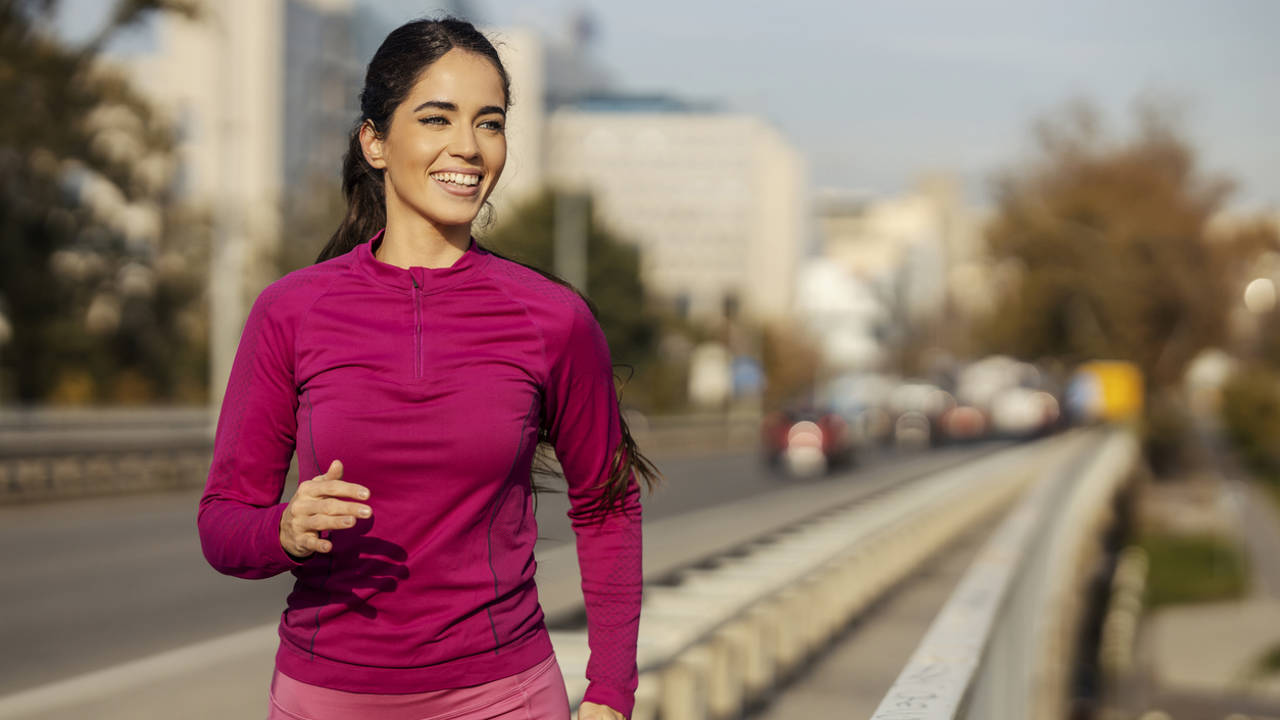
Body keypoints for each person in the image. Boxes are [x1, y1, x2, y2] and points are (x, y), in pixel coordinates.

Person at [197, 17, 657, 720]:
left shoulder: (554, 319)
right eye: (437, 118)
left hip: (504, 698)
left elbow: (607, 504)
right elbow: (223, 523)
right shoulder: (292, 311)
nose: (468, 147)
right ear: (375, 141)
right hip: (327, 699)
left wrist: (610, 694)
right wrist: (283, 530)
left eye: (490, 123)